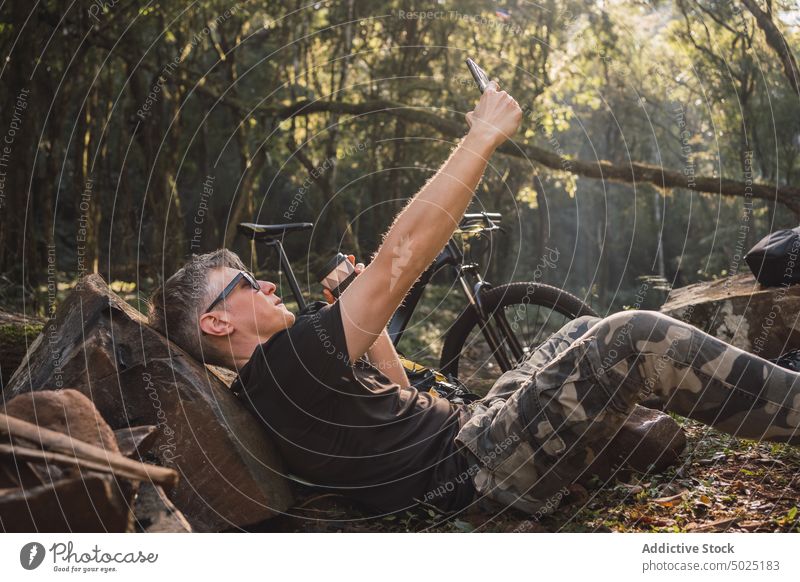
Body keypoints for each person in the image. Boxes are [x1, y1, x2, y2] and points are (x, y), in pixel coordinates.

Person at [149, 83, 800, 517]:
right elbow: (402, 254)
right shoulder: (286, 363)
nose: (265, 284)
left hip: (472, 439)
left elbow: (397, 396)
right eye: (246, 286)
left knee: (578, 335)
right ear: (216, 320)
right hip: (478, 472)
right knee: (629, 335)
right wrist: (481, 136)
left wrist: (366, 326)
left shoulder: (286, 377)